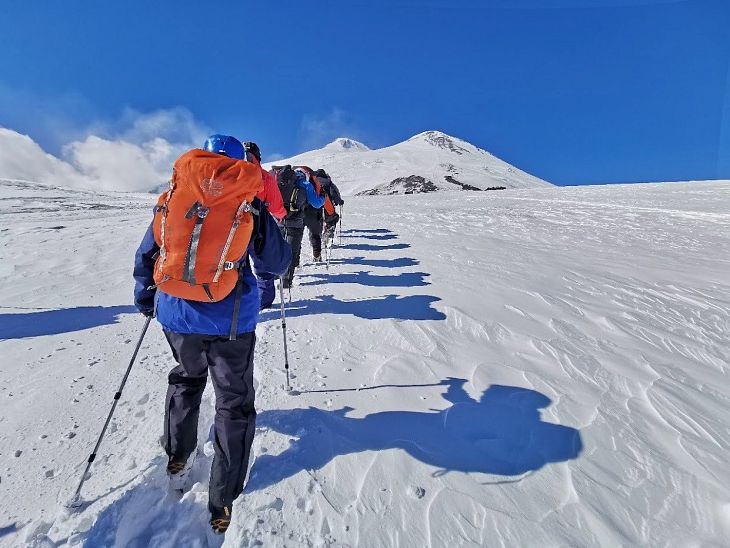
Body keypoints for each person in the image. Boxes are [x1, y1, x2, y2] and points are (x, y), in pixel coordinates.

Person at [133, 134, 291, 535]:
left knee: (186, 378)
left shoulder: (175, 192)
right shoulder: (248, 198)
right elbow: (275, 260)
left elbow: (149, 250)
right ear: (241, 162)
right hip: (230, 320)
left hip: (176, 312)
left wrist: (146, 295)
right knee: (233, 403)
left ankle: (177, 455)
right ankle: (223, 498)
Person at [244, 141, 287, 310]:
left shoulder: (225, 172)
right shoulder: (265, 177)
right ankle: (264, 302)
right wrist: (281, 217)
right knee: (262, 267)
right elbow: (276, 207)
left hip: (227, 226)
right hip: (257, 227)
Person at [278, 167, 325, 288]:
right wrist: (323, 197)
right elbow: (316, 203)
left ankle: (274, 276)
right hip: (296, 223)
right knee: (291, 251)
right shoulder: (305, 184)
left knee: (279, 249)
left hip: (279, 221)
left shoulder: (280, 180)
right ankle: (286, 282)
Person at [314, 168, 344, 244]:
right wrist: (339, 201)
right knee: (332, 218)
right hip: (328, 203)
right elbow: (334, 192)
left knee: (317, 221)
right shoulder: (328, 181)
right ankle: (328, 231)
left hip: (315, 204)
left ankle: (316, 239)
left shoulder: (313, 181)